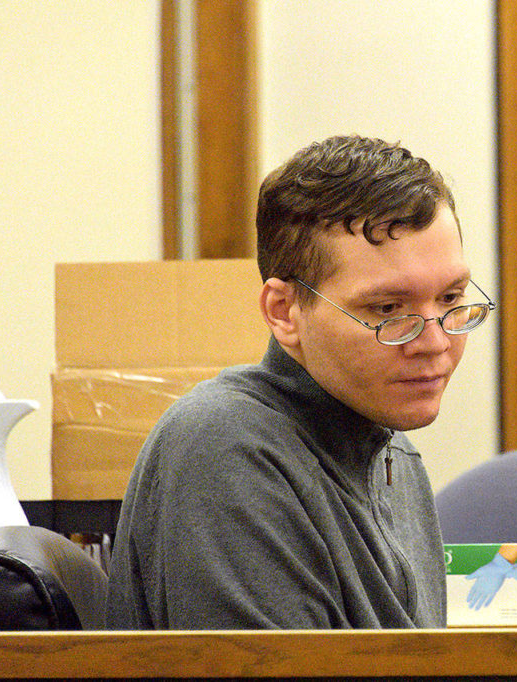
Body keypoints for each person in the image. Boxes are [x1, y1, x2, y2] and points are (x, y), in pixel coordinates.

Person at [105, 135, 495, 629]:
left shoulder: (393, 446)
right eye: (388, 310)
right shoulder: (225, 446)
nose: (435, 342)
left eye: (451, 298)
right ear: (284, 311)